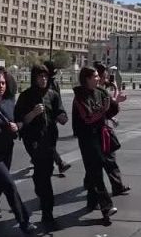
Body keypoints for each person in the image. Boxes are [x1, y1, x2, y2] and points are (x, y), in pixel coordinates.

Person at [15, 64, 68, 229]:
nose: (43, 79)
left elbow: (62, 114)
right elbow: (20, 121)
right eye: (40, 76)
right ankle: (47, 213)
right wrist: (32, 113)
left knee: (44, 174)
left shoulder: (53, 95)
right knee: (43, 177)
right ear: (34, 78)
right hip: (33, 141)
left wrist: (62, 117)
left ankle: (45, 204)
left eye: (45, 76)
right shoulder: (26, 96)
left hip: (50, 140)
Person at [0, 68, 35, 233]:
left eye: (3, 83)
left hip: (7, 150)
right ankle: (24, 221)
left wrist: (17, 126)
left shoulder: (9, 102)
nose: (1, 86)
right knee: (9, 184)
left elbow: (18, 123)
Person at [72, 66, 118, 222]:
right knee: (96, 169)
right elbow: (88, 118)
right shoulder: (79, 97)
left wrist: (115, 101)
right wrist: (103, 110)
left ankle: (91, 201)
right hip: (86, 137)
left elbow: (110, 111)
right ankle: (106, 206)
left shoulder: (100, 92)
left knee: (93, 169)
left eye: (98, 76)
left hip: (99, 135)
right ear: (87, 79)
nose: (99, 79)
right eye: (95, 76)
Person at [94, 62, 130, 196]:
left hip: (102, 128)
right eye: (103, 75)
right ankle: (115, 187)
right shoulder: (96, 92)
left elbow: (105, 111)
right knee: (108, 159)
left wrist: (111, 117)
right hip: (97, 131)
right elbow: (105, 108)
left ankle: (115, 186)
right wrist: (117, 100)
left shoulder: (99, 90)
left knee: (103, 161)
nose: (106, 77)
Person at [43, 60, 72, 175]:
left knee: (50, 142)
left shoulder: (52, 83)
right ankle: (59, 163)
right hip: (45, 117)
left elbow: (57, 99)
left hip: (51, 116)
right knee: (48, 142)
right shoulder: (49, 82)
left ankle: (49, 161)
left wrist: (60, 113)